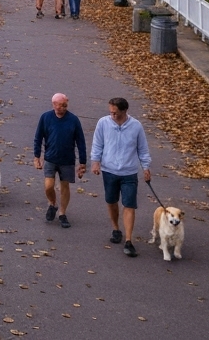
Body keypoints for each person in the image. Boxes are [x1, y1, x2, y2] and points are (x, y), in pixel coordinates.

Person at [90, 97, 152, 257]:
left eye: (115, 113)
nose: (112, 115)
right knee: (111, 201)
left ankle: (129, 241)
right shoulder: (103, 123)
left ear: (125, 111)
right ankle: (116, 229)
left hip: (129, 172)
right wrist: (95, 161)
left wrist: (146, 167)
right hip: (109, 170)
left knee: (129, 205)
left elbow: (143, 149)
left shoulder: (136, 126)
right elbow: (97, 143)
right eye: (111, 112)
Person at [33, 92, 87, 229]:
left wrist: (82, 162)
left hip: (67, 160)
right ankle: (53, 203)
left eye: (65, 105)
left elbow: (81, 141)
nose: (63, 108)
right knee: (48, 186)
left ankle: (62, 213)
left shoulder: (73, 120)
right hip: (50, 158)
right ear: (54, 104)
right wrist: (37, 156)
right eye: (60, 105)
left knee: (65, 186)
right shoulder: (46, 117)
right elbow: (38, 137)